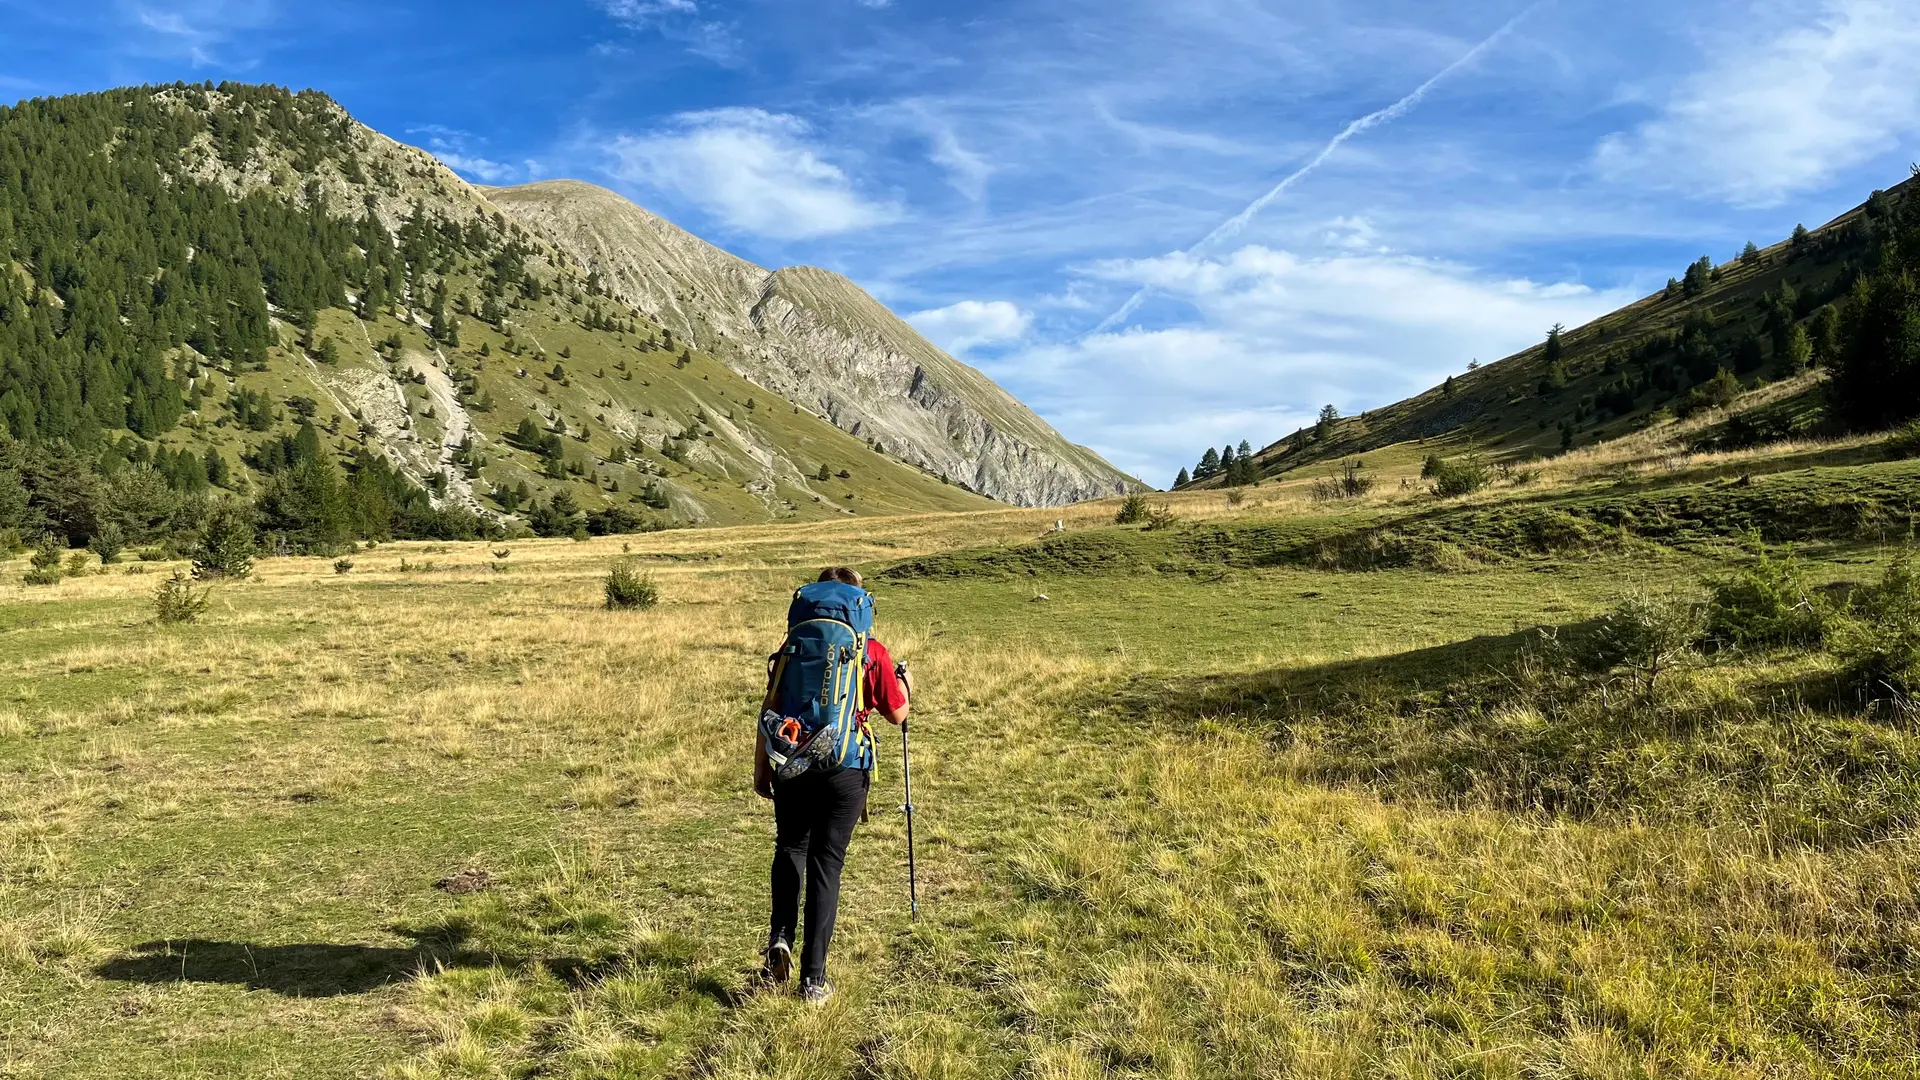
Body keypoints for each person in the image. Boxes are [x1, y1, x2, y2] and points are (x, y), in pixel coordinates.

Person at [754, 567, 910, 1003]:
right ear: (858, 602)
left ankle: (780, 936)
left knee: (789, 847)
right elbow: (898, 715)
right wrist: (906, 686)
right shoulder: (869, 650)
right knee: (827, 864)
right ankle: (813, 979)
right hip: (846, 768)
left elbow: (769, 707)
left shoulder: (791, 648)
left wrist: (761, 769)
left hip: (791, 758)